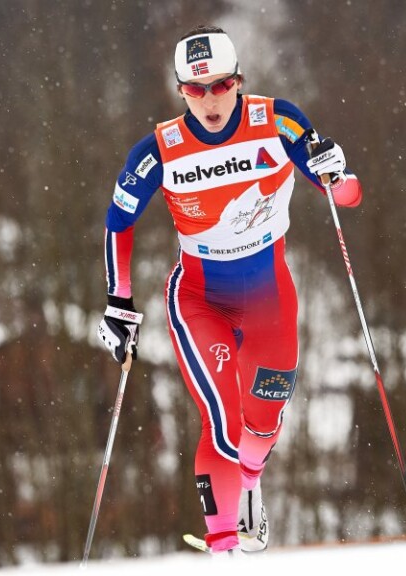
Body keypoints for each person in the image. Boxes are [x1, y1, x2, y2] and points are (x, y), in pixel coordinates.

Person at [97, 25, 362, 556]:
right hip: (200, 299)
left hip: (269, 298)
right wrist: (119, 302)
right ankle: (223, 550)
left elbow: (346, 196)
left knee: (263, 424)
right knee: (224, 425)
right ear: (181, 91)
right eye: (196, 90)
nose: (210, 101)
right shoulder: (159, 151)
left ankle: (249, 483)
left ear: (239, 81)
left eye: (220, 85)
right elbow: (118, 221)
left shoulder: (279, 121)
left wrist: (338, 172)